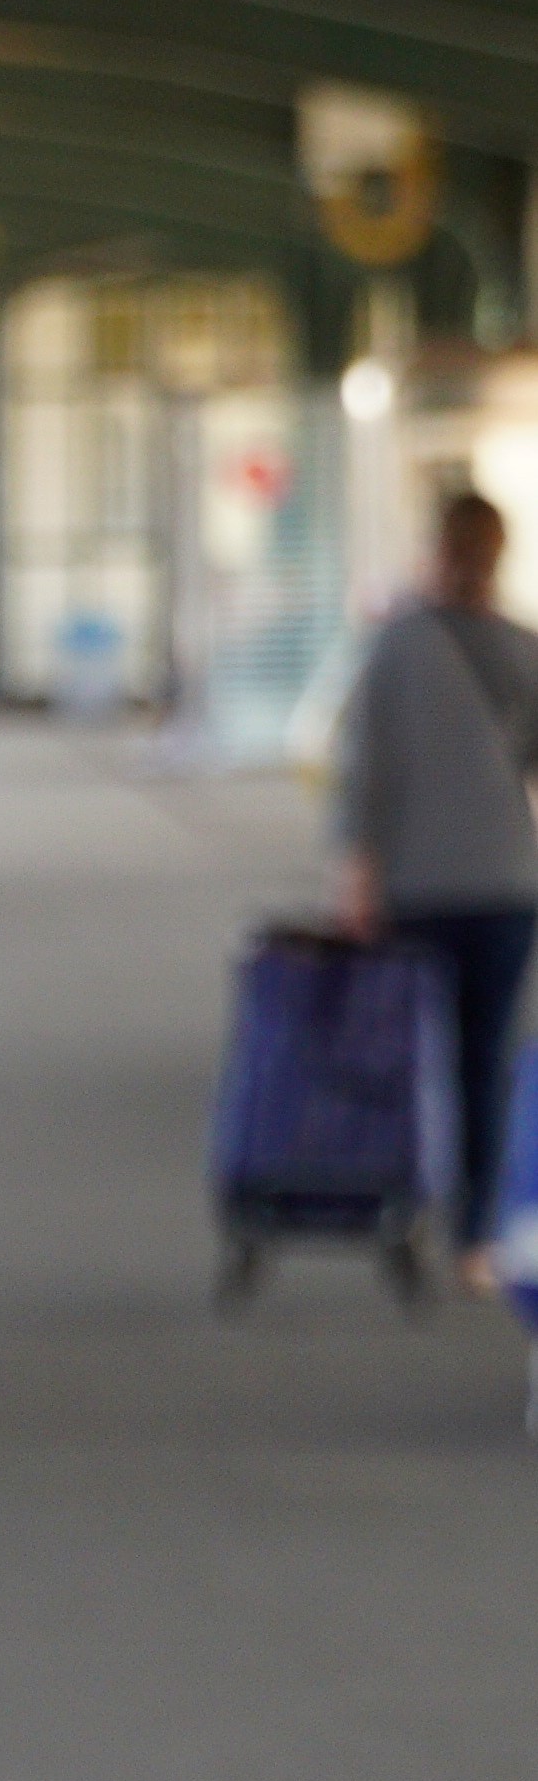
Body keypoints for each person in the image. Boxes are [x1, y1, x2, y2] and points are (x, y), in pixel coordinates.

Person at [326, 486, 538, 1284]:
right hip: (509, 885)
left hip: (418, 887)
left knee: (412, 1056)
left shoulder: (395, 645)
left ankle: (407, 1209)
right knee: (487, 1057)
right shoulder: (525, 647)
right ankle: (478, 1235)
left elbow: (364, 776)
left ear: (437, 548)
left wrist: (356, 879)